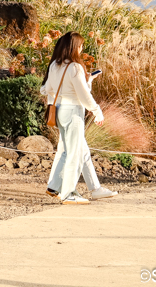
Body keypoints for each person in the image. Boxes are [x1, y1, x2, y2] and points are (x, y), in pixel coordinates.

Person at [40, 32, 118, 204]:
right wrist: (97, 111)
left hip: (60, 110)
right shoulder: (75, 68)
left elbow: (45, 89)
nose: (82, 49)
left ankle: (59, 186)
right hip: (74, 111)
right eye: (80, 45)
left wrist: (86, 80)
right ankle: (69, 194)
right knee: (74, 153)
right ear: (74, 47)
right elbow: (83, 96)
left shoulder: (55, 65)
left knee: (73, 150)